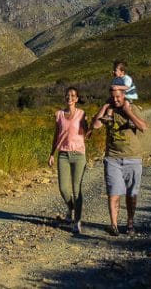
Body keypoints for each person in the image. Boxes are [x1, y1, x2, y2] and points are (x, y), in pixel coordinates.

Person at [91, 79, 147, 236]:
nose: (115, 100)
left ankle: (130, 223)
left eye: (118, 97)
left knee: (131, 194)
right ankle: (114, 225)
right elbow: (96, 125)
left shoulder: (133, 108)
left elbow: (143, 127)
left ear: (124, 96)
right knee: (113, 192)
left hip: (133, 157)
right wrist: (103, 107)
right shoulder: (108, 110)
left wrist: (127, 111)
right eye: (113, 97)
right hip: (112, 158)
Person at [48, 86, 88, 234]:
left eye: (72, 95)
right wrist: (52, 154)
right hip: (63, 154)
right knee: (64, 189)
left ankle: (77, 221)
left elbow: (87, 133)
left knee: (76, 189)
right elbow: (56, 135)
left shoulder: (82, 114)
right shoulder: (59, 114)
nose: (69, 97)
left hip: (78, 154)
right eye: (67, 95)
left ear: (77, 99)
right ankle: (71, 207)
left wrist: (88, 124)